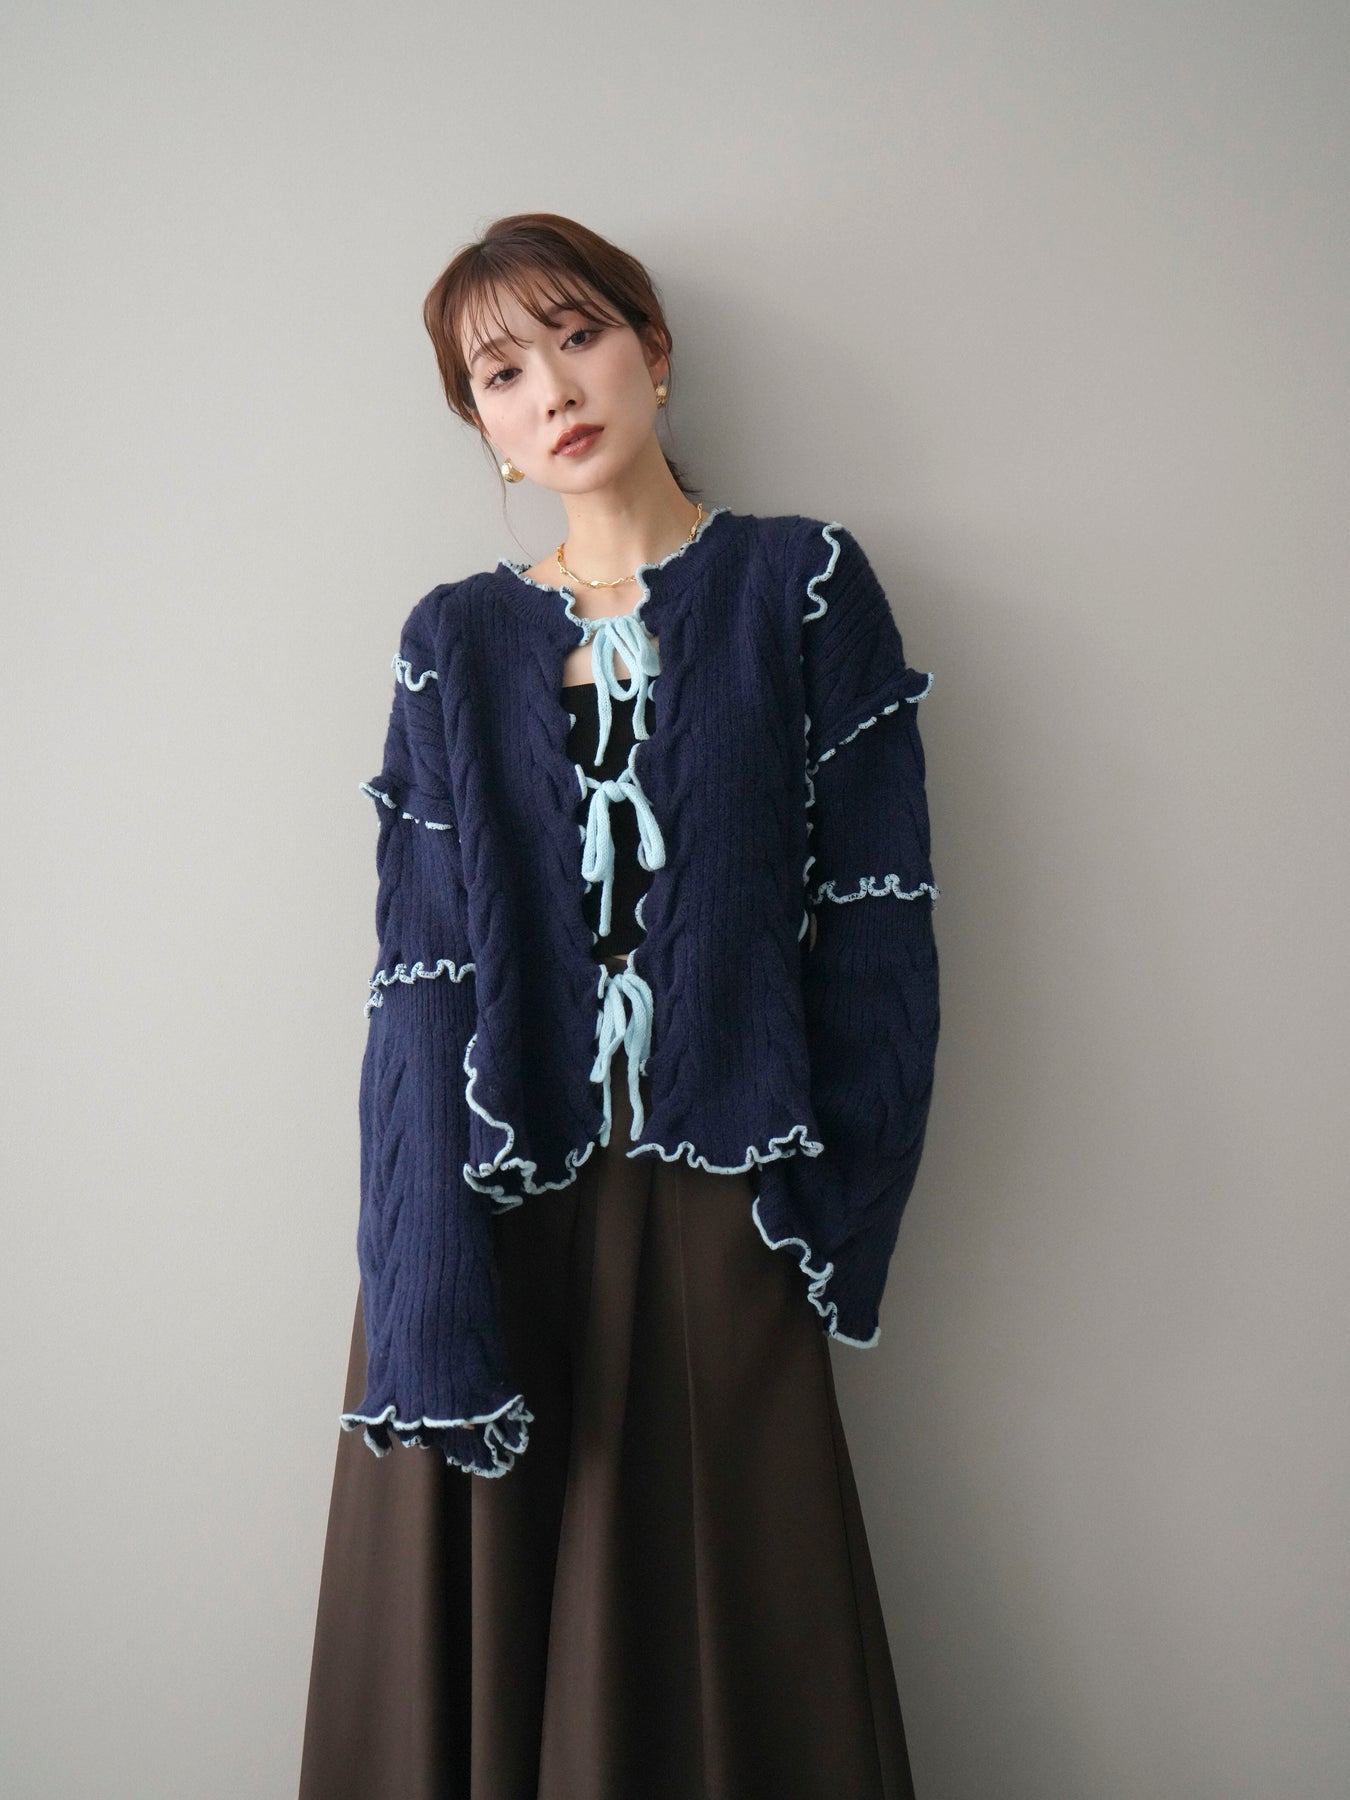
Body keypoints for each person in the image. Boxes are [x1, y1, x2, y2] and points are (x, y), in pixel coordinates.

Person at [298, 211, 940, 1800]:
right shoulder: (452, 641)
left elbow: (878, 921)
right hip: (482, 1209)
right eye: (499, 374)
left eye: (576, 336)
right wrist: (420, 1259)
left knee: (727, 1627)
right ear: (484, 429)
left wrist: (826, 1204)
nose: (551, 390)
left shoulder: (800, 586)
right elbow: (418, 970)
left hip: (726, 1203)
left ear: (652, 349)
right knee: (480, 1620)